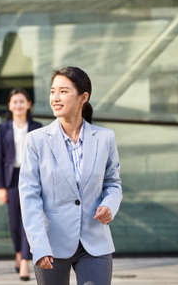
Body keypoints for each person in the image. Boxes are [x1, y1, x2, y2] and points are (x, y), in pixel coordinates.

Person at [19, 67, 122, 285]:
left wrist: (110, 205)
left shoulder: (105, 138)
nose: (55, 98)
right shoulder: (36, 141)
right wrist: (38, 244)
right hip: (51, 245)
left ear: (83, 97)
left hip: (95, 242)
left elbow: (113, 183)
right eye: (52, 91)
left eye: (63, 91)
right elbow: (29, 198)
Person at [0, 89, 42, 281]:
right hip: (12, 178)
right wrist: (1, 186)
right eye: (15, 102)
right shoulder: (3, 128)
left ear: (29, 104)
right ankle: (17, 253)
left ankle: (24, 260)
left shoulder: (37, 127)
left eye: (22, 101)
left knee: (27, 220)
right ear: (9, 105)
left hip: (31, 176)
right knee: (14, 222)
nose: (18, 105)